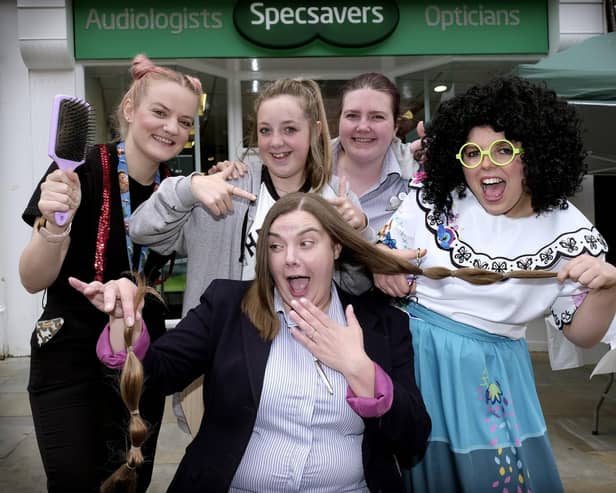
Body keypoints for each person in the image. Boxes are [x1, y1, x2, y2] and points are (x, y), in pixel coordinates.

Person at [70, 192, 432, 493]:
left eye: (306, 242)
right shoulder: (228, 307)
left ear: (336, 248)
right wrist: (123, 325)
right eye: (276, 246)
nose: (290, 257)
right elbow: (157, 374)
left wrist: (359, 369)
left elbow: (412, 439)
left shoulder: (382, 324)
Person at [374, 76, 616, 492]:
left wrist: (609, 288)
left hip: (490, 379)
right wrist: (384, 266)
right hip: (409, 363)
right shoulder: (433, 201)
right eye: (472, 153)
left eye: (503, 149)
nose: (486, 164)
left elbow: (583, 333)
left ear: (536, 154)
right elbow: (384, 253)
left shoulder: (570, 233)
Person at [129, 78, 373, 433]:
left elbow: (359, 286)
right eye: (265, 130)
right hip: (214, 368)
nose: (276, 142)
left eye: (290, 129)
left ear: (314, 130)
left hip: (305, 372)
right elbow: (143, 230)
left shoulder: (335, 200)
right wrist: (189, 187)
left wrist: (357, 233)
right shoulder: (227, 188)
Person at [18, 54, 202, 492]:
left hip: (142, 359)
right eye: (160, 113)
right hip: (69, 356)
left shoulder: (176, 192)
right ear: (129, 109)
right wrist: (57, 226)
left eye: (184, 120)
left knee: (129, 484)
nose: (172, 128)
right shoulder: (77, 169)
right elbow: (32, 279)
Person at [332, 72, 424, 233]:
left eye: (377, 117)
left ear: (395, 126)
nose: (363, 127)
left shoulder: (419, 178)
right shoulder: (306, 170)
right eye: (352, 115)